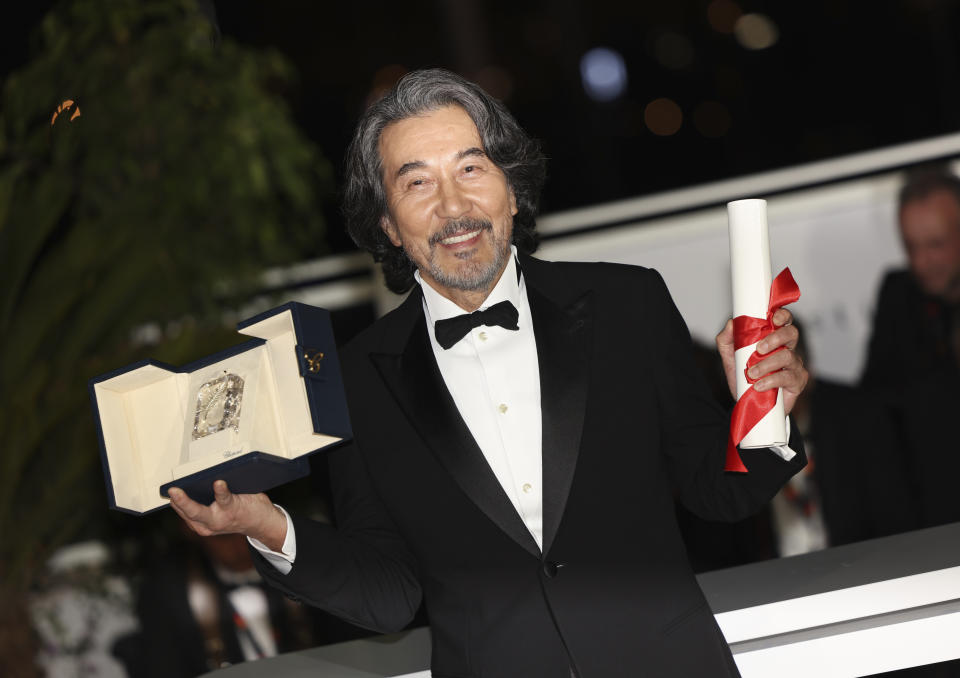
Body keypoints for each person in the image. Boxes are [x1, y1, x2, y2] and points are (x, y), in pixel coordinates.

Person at [168, 68, 809, 678]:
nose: (453, 206)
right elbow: (390, 596)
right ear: (389, 224)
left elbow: (716, 493)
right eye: (416, 183)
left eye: (471, 168)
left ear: (511, 189)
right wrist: (266, 526)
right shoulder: (357, 379)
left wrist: (763, 410)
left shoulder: (627, 304)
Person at [861, 166, 960, 529]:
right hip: (927, 521)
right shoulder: (898, 295)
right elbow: (874, 406)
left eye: (935, 245)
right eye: (910, 246)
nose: (921, 263)